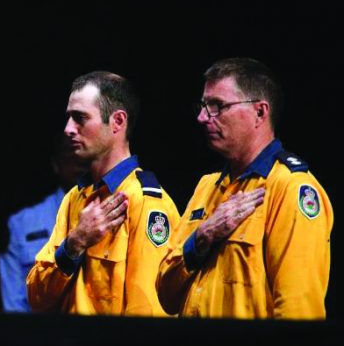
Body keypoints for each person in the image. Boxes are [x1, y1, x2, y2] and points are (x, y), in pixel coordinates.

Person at [156, 57, 333, 319]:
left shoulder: (291, 187)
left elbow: (298, 313)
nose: (202, 117)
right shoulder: (207, 186)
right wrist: (202, 237)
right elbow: (166, 297)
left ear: (260, 112)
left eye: (217, 106)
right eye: (203, 106)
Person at [26, 71, 180, 315]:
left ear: (118, 121)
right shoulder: (74, 198)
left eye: (80, 118)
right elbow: (36, 297)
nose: (68, 129)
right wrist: (74, 243)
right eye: (68, 118)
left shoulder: (146, 201)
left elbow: (148, 316)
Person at [0, 138, 86, 312]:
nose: (77, 162)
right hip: (38, 334)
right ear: (56, 163)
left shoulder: (113, 212)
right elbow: (14, 304)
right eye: (70, 153)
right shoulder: (22, 223)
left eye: (83, 156)